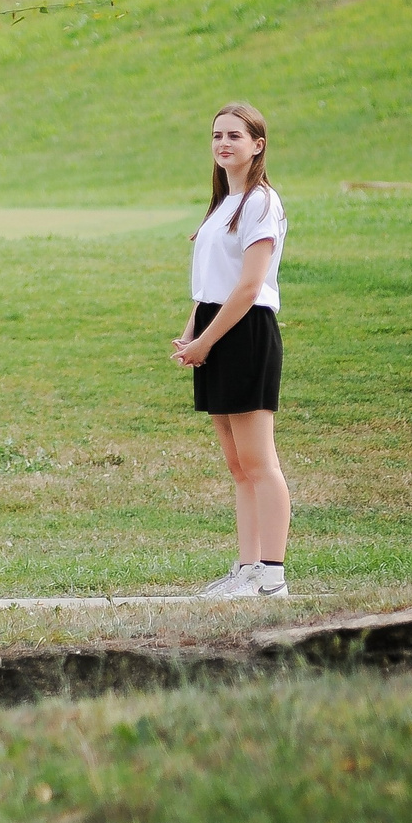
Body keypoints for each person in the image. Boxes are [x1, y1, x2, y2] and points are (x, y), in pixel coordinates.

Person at [173, 102, 292, 598]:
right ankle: (245, 569)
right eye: (217, 135)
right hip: (217, 331)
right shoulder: (223, 203)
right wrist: (191, 334)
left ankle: (272, 576)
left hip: (245, 333)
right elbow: (209, 288)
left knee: (260, 461)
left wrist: (206, 339)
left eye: (235, 136)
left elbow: (248, 288)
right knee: (237, 465)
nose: (223, 143)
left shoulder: (262, 202)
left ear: (257, 145)